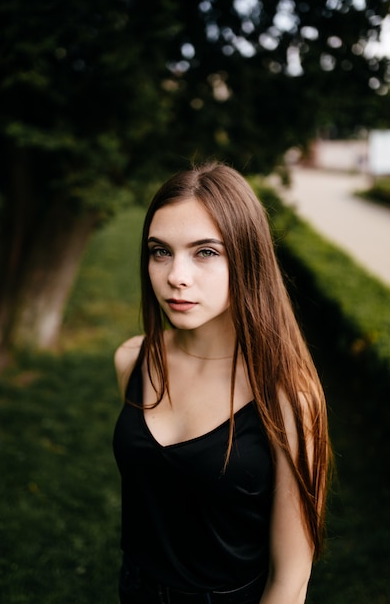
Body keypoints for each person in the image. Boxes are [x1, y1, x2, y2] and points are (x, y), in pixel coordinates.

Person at [113, 161, 331, 604]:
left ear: (247, 257)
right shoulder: (133, 359)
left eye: (205, 252)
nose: (176, 275)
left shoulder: (288, 397)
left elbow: (290, 581)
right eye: (160, 251)